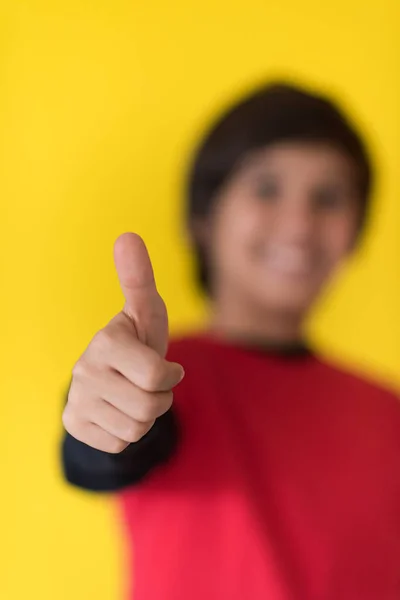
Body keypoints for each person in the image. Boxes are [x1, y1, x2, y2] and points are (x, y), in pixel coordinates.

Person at [61, 83, 400, 600]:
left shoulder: (387, 411)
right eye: (266, 188)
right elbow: (103, 453)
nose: (299, 223)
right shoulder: (162, 374)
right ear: (204, 216)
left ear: (355, 232)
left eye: (328, 197)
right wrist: (102, 418)